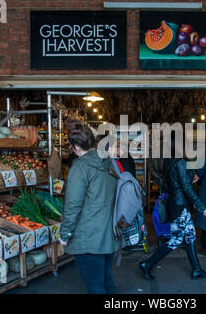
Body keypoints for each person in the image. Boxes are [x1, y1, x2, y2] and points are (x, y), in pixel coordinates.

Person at [139, 131, 206, 280]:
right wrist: (202, 207)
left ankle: (197, 270)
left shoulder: (169, 160)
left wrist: (187, 179)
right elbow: (185, 188)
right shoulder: (180, 161)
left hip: (175, 203)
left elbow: (171, 183)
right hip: (179, 205)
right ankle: (147, 264)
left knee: (190, 235)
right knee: (176, 240)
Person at [58, 121, 119, 294]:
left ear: (76, 147)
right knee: (106, 281)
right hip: (108, 234)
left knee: (95, 286)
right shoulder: (108, 162)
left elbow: (72, 206)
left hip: (88, 237)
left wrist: (65, 234)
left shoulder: (80, 167)